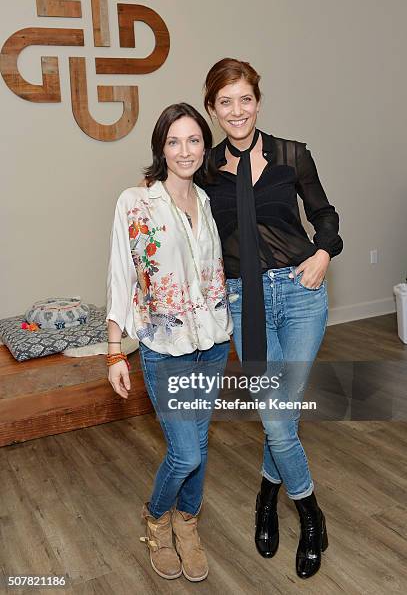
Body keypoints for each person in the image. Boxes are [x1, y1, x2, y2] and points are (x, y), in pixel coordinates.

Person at [198, 58, 343, 579]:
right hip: (244, 301)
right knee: (280, 416)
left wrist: (324, 254)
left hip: (301, 295)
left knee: (282, 415)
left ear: (257, 101)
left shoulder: (292, 154)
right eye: (225, 102)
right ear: (213, 108)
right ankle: (309, 513)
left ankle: (265, 495)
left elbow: (325, 215)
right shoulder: (206, 168)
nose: (237, 111)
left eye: (246, 99)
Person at [105, 102, 232, 582]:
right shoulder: (135, 203)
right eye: (174, 141)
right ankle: (158, 518)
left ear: (205, 145)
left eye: (194, 140)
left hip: (213, 344)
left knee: (198, 443)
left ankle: (188, 524)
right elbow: (121, 276)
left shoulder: (206, 201)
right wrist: (115, 350)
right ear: (161, 146)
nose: (185, 150)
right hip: (164, 347)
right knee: (187, 453)